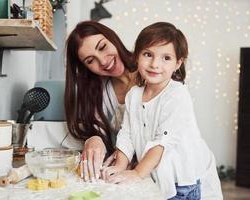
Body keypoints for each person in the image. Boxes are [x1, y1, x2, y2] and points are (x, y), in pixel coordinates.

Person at [102, 22, 223, 199]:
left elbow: (162, 142)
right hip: (155, 174)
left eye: (166, 58)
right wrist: (120, 166)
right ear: (137, 56)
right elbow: (126, 133)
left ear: (177, 63)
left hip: (180, 180)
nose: (154, 64)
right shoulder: (133, 95)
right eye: (148, 54)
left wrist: (136, 173)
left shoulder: (177, 95)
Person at [64, 21, 137, 182]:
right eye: (90, 60)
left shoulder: (152, 70)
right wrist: (93, 138)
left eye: (103, 47)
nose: (103, 61)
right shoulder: (98, 91)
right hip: (128, 176)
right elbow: (97, 130)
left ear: (112, 38)